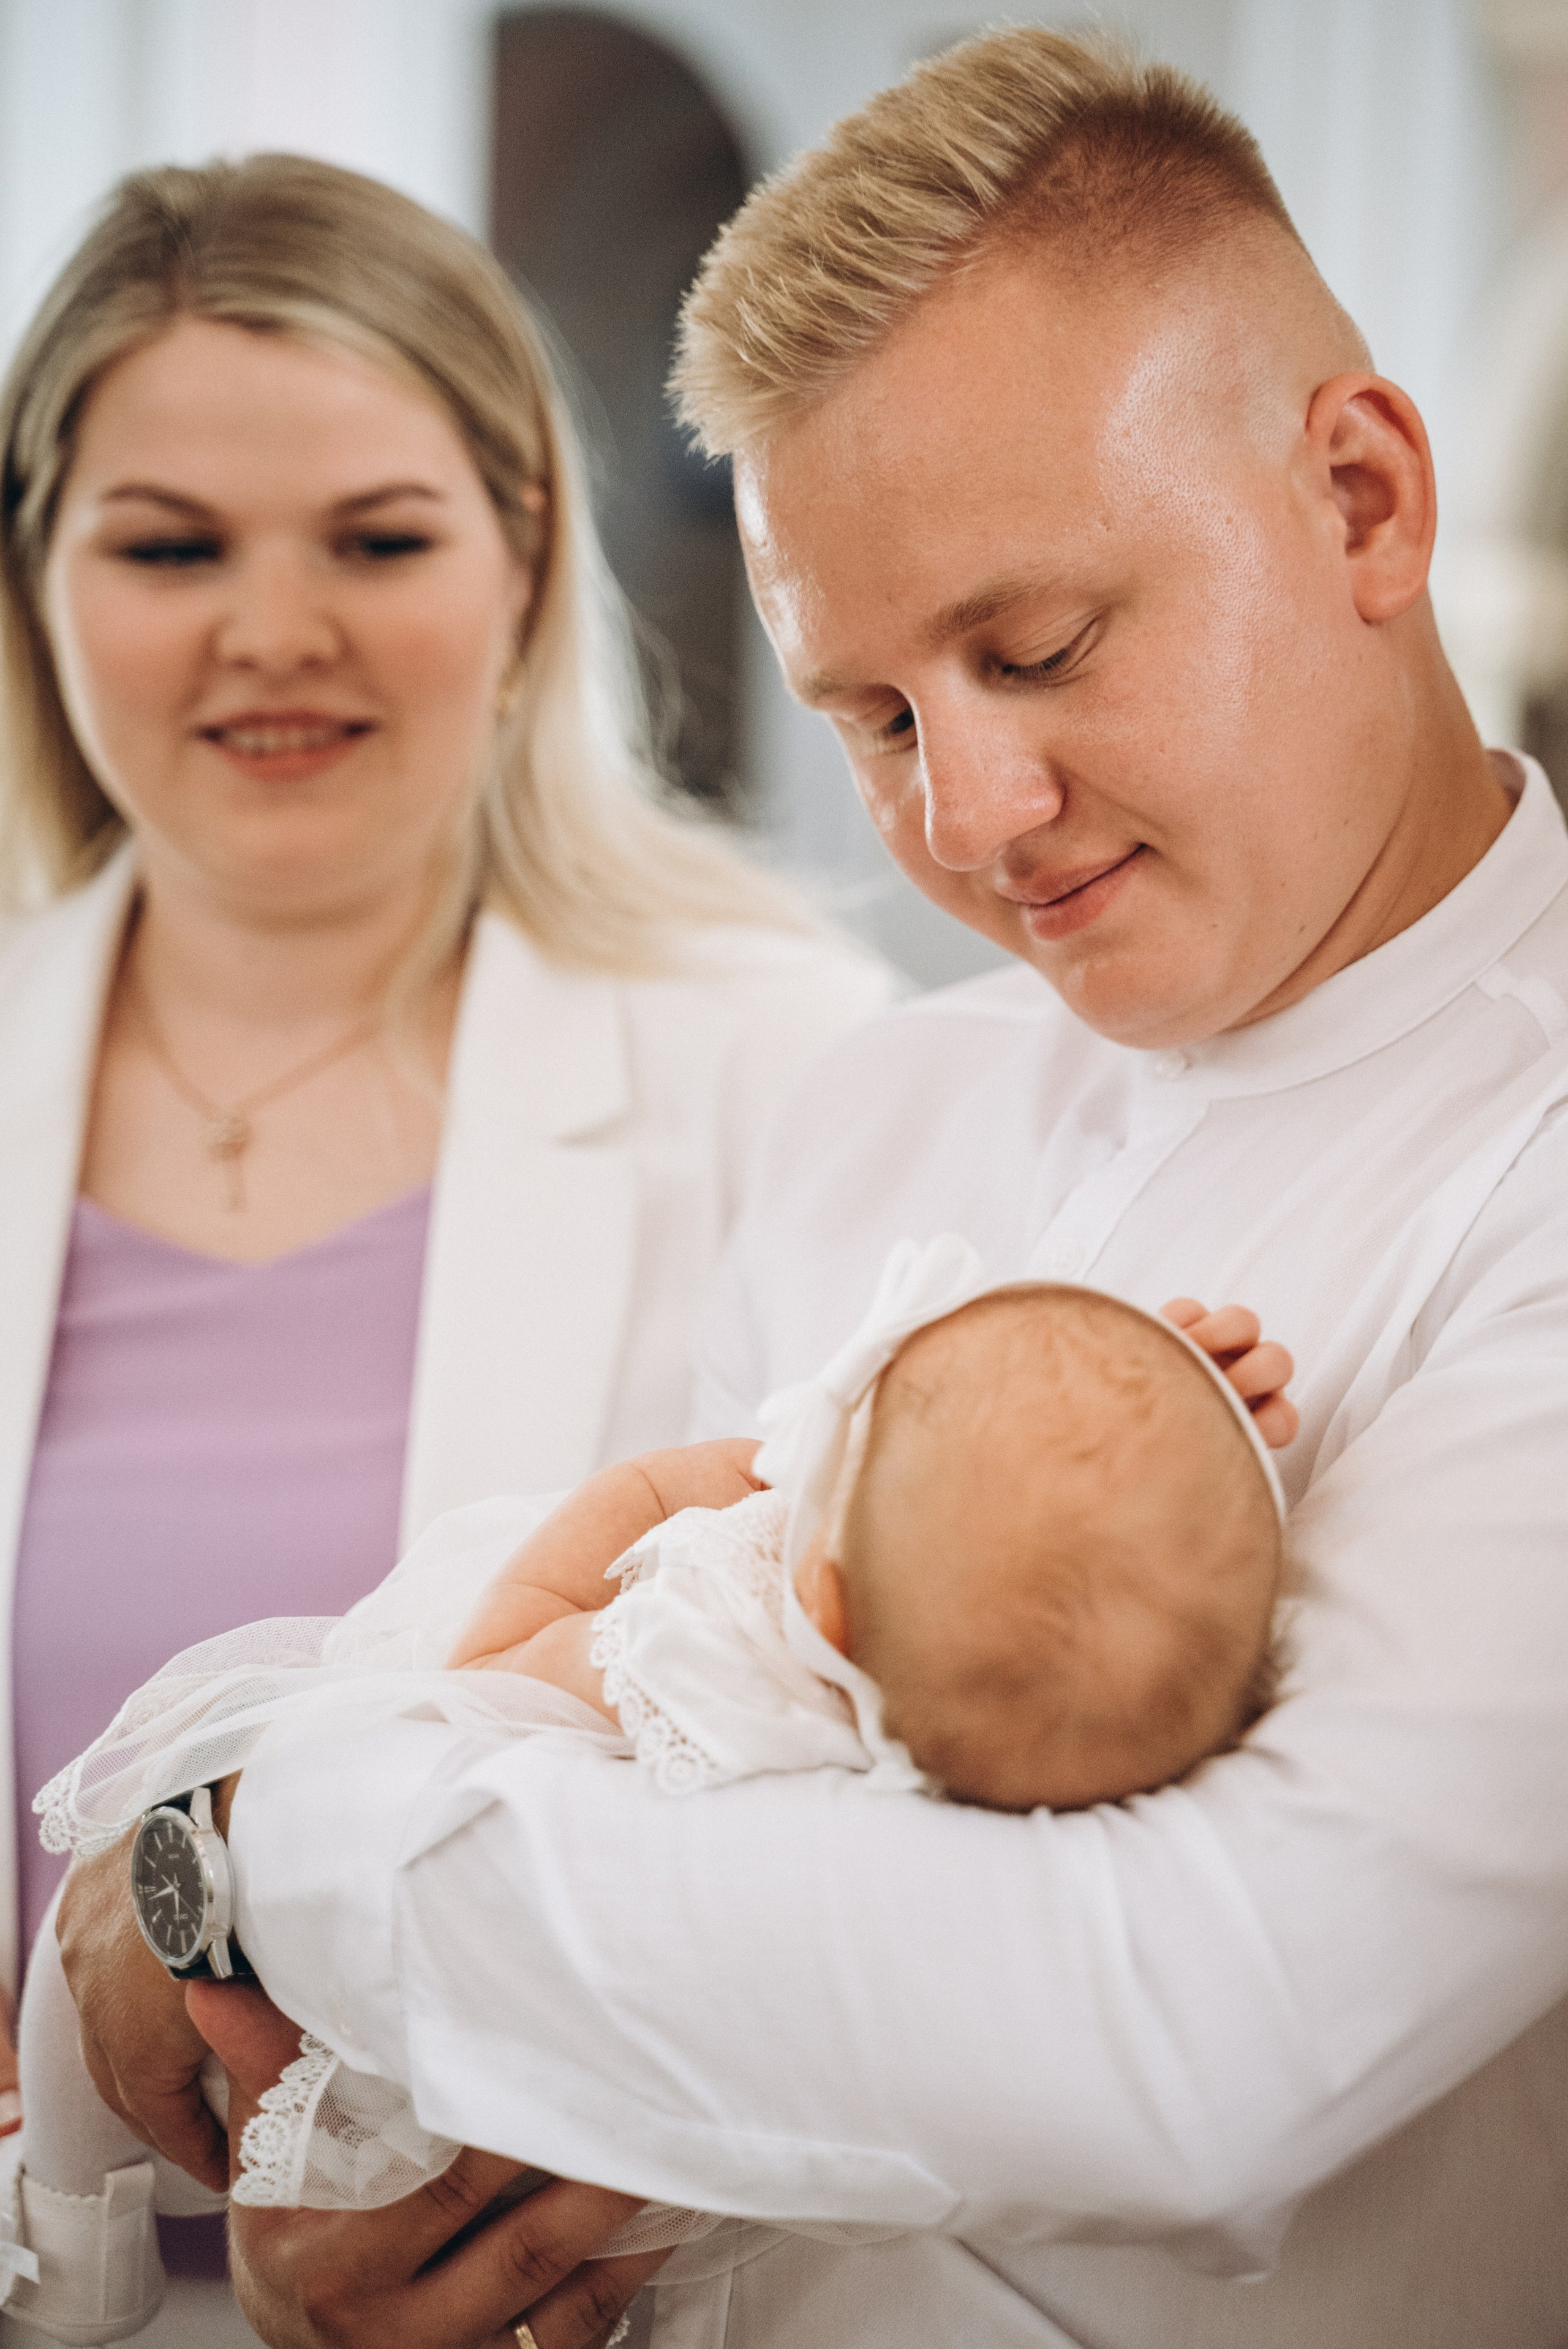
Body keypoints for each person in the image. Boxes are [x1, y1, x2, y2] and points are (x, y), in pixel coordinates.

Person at [55, 26, 1568, 2349]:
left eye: (1039, 647)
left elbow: (1182, 2041)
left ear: (1363, 501)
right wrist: (391, 2173)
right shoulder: (881, 1113)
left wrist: (275, 1850)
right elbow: (662, 1771)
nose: (967, 816)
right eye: (872, 715)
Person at [0, 152, 888, 2345]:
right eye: (170, 546)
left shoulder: (795, 1064)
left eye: (376, 540)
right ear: (34, 575)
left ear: (524, 561)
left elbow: (874, 1805)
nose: (274, 630)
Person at [20, 1240, 1294, 2343]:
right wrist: (1144, 1472)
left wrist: (638, 1528)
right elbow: (1058, 1582)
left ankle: (67, 2248)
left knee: (106, 2007)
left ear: (824, 1601)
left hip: (382, 1997)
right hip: (615, 2158)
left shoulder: (698, 1655)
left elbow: (487, 1682)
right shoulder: (958, 1781)